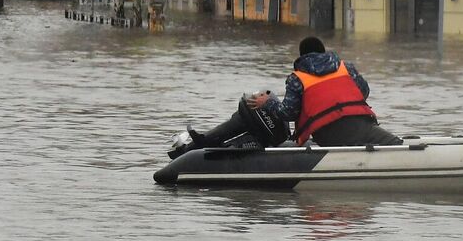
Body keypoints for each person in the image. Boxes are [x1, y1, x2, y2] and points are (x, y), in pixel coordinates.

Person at [169, 36, 398, 158]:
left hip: (329, 135)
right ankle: (203, 143)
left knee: (255, 104)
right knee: (396, 146)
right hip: (360, 124)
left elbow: (287, 113)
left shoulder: (297, 78)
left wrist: (268, 101)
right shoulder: (345, 67)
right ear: (323, 51)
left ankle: (203, 142)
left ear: (302, 56)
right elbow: (364, 92)